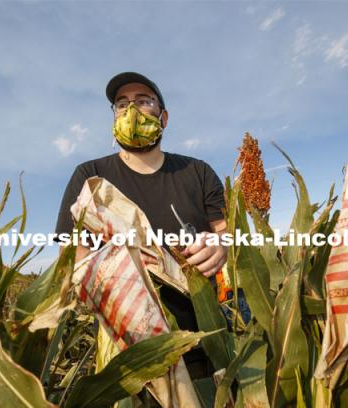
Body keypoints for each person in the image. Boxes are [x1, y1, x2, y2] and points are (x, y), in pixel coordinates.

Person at [54, 72, 227, 378]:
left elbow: (228, 236)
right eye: (121, 104)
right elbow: (72, 261)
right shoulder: (90, 177)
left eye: (143, 101)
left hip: (205, 340)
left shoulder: (198, 173)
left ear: (164, 116)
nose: (130, 110)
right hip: (124, 347)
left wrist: (221, 247)